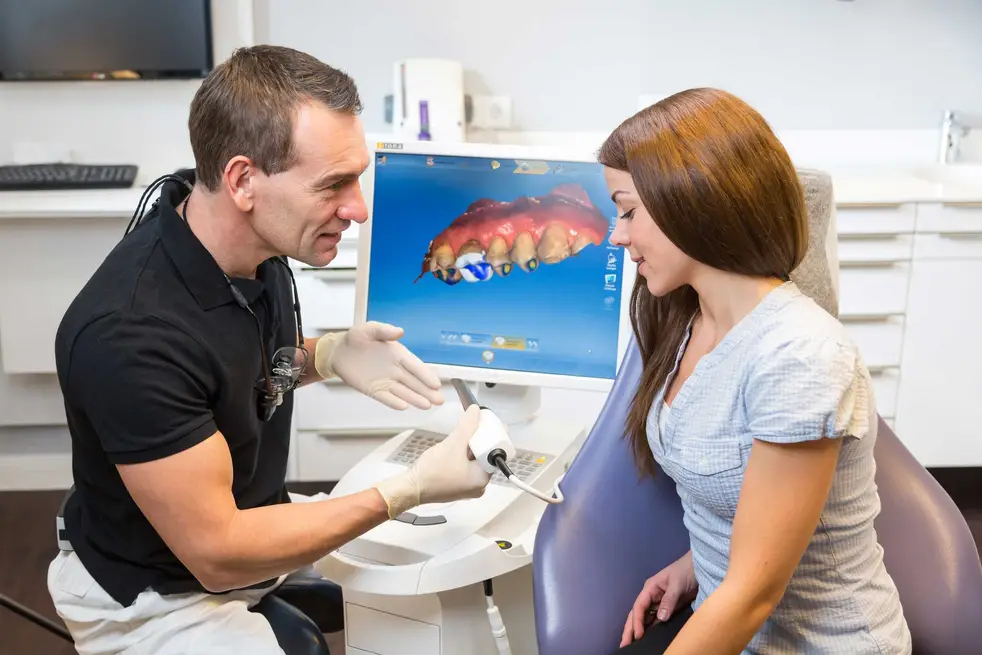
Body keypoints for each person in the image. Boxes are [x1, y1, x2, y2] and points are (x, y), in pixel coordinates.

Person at [47, 44, 493, 654]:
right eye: (334, 184)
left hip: (243, 520)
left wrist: (326, 356)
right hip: (165, 595)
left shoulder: (245, 245)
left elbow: (231, 365)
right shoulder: (129, 334)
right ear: (242, 180)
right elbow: (219, 554)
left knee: (440, 567)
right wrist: (405, 490)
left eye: (357, 176)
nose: (359, 208)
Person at [601, 88, 912, 654]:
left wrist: (727, 577)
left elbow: (752, 594)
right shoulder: (687, 320)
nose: (616, 234)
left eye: (626, 210)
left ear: (690, 200)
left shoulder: (800, 356)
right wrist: (698, 562)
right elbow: (749, 496)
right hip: (732, 623)